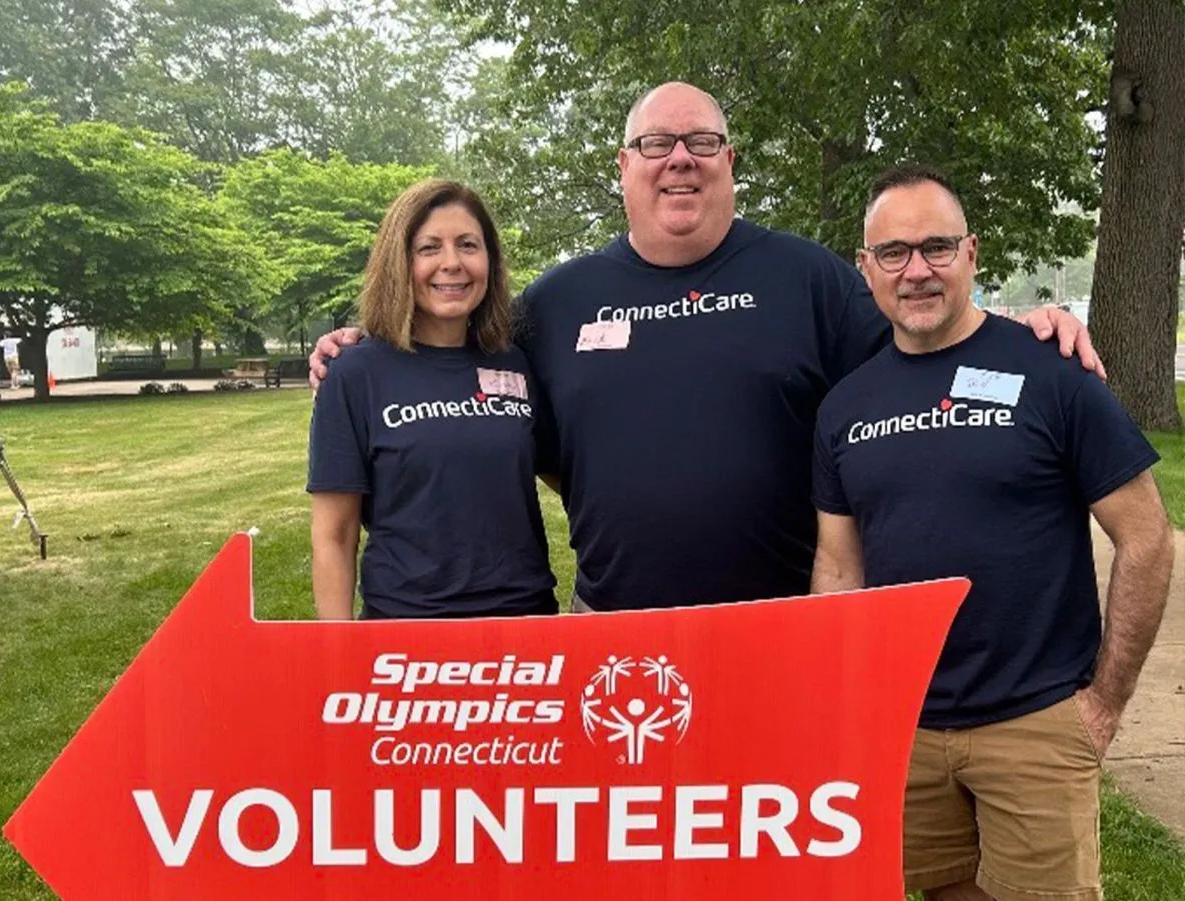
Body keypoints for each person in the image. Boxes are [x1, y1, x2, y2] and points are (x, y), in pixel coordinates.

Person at [311, 82, 1100, 612]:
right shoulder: (554, 304)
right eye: (656, 145)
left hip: (786, 618)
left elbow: (922, 341)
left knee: (779, 843)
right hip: (612, 628)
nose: (679, 159)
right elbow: (465, 360)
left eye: (701, 141)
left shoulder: (808, 278)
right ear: (624, 168)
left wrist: (1025, 333)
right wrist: (366, 344)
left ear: (730, 162)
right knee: (627, 849)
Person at [809, 164, 1173, 901]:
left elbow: (1145, 536)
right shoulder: (845, 407)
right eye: (895, 252)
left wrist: (1105, 701)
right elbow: (840, 567)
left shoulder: (1053, 374)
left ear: (972, 253)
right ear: (865, 268)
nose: (918, 271)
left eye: (937, 247)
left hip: (1036, 712)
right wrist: (841, 705)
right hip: (907, 719)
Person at [307, 179, 558, 620]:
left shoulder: (516, 363)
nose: (452, 264)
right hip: (405, 629)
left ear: (489, 260)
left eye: (467, 245)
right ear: (398, 263)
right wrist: (337, 654)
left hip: (524, 621)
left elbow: (562, 471)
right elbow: (335, 534)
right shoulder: (353, 373)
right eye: (429, 248)